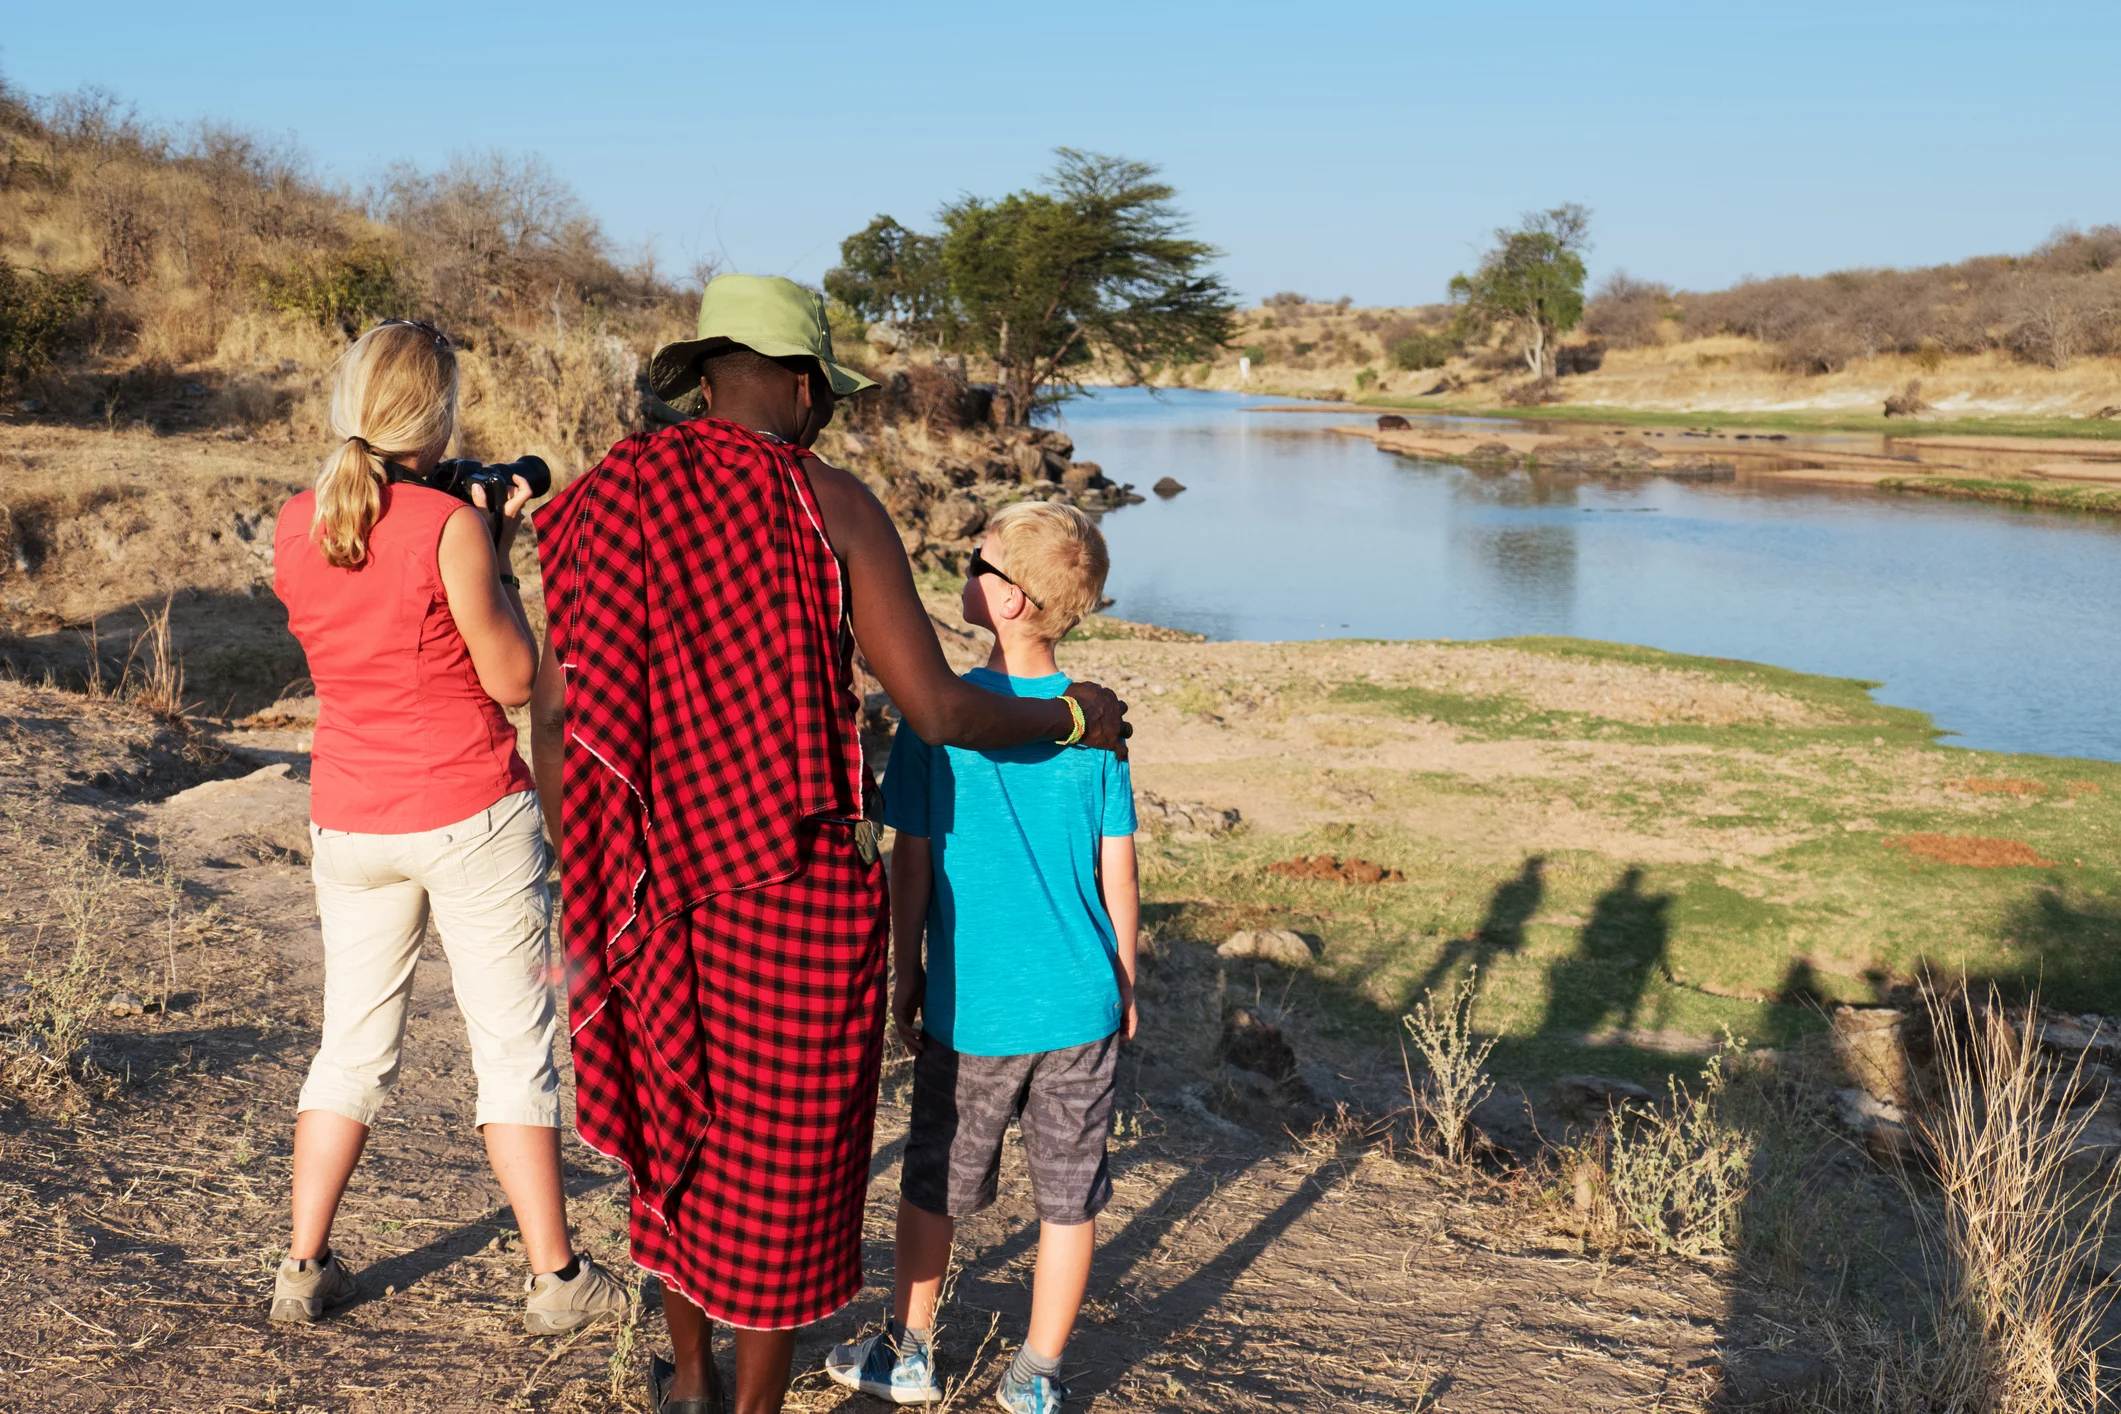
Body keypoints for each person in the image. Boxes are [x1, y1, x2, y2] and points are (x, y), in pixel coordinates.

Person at [529, 274, 1131, 1414]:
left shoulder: (614, 492)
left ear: (706, 374)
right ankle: (753, 1405)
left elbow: (559, 713)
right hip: (790, 896)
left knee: (679, 1140)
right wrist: (1071, 717)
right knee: (775, 1163)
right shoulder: (829, 503)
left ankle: (695, 1381)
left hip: (654, 890)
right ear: (802, 386)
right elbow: (941, 709)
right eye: (826, 400)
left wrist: (598, 865)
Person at [268, 319, 628, 1334]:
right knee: (514, 1050)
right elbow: (514, 679)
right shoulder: (450, 526)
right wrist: (499, 552)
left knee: (349, 1050)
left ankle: (302, 1265)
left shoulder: (299, 524)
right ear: (440, 413)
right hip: (467, 808)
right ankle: (557, 1279)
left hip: (349, 813)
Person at [823, 502, 1139, 1414]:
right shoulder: (1097, 726)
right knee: (1069, 1200)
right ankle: (1035, 1374)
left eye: (976, 560)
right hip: (1081, 1004)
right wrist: (1125, 977)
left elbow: (910, 865)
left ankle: (908, 1349)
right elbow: (1117, 863)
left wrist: (905, 973)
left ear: (1005, 601)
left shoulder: (940, 721)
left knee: (935, 1183)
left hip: (977, 1010)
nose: (961, 571)